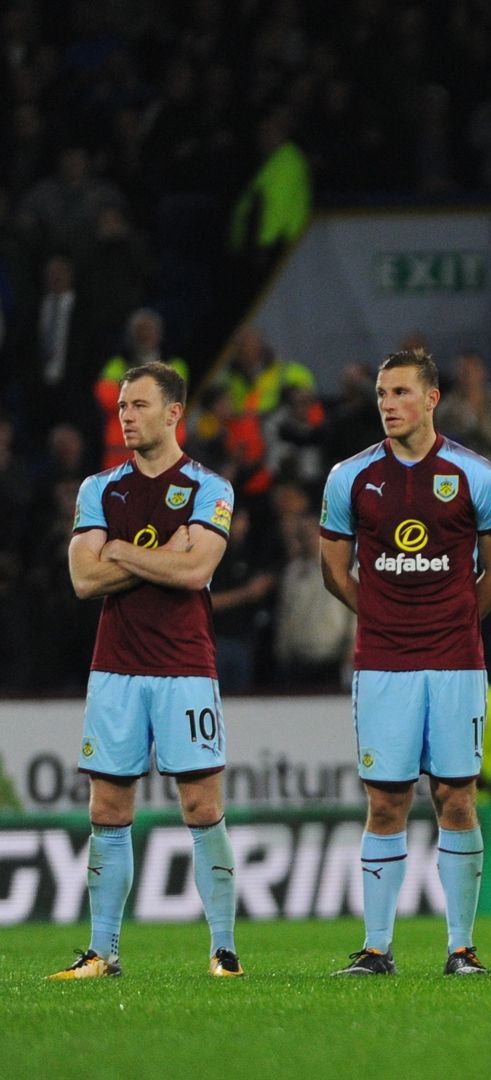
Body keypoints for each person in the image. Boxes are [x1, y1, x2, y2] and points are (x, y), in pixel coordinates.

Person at [318, 350, 491, 976]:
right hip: (382, 663)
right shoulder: (349, 477)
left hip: (455, 662)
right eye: (381, 393)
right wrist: (379, 616)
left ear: (432, 399)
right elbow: (333, 567)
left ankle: (461, 948)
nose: (387, 403)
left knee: (456, 798)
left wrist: (453, 621)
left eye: (401, 392)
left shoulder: (476, 474)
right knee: (385, 803)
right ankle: (377, 948)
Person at [52, 362, 241, 979]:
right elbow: (84, 579)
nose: (126, 416)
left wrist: (122, 549)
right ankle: (102, 952)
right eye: (122, 407)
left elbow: (195, 574)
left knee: (200, 805)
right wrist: (169, 550)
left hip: (186, 665)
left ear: (173, 412)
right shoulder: (98, 488)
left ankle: (223, 950)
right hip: (115, 668)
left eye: (137, 405)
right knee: (107, 808)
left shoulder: (211, 487)